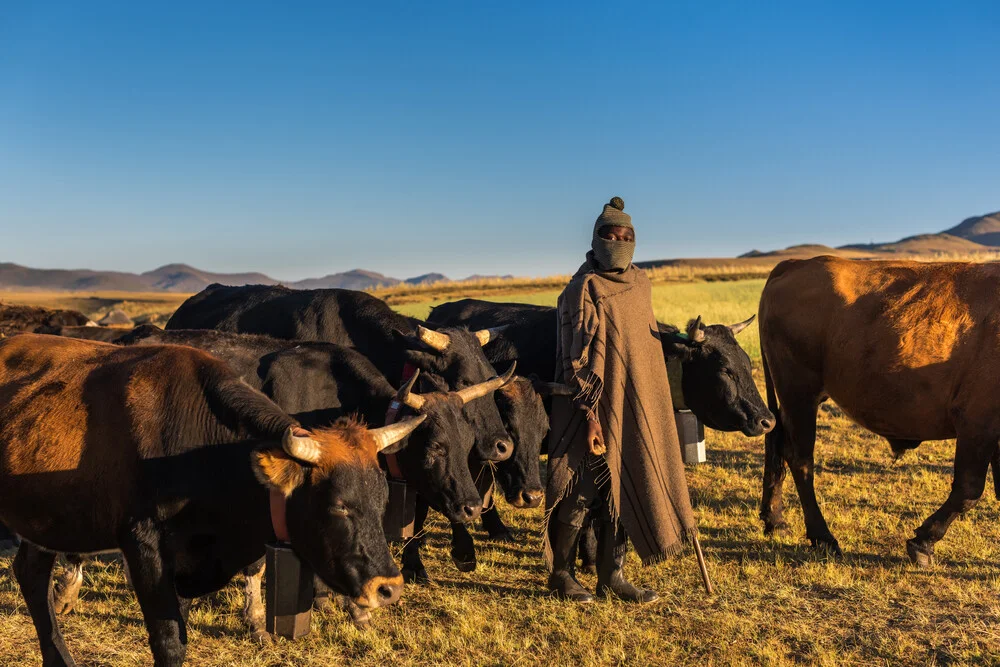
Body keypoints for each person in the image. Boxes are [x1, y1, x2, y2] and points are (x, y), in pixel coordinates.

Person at [544, 197, 698, 603]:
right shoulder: (582, 290)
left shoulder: (641, 284)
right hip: (588, 407)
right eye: (609, 236)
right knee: (583, 490)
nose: (617, 242)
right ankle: (561, 574)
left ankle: (613, 576)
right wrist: (591, 414)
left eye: (625, 236)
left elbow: (640, 347)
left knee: (625, 486)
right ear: (595, 240)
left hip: (635, 404)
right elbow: (574, 357)